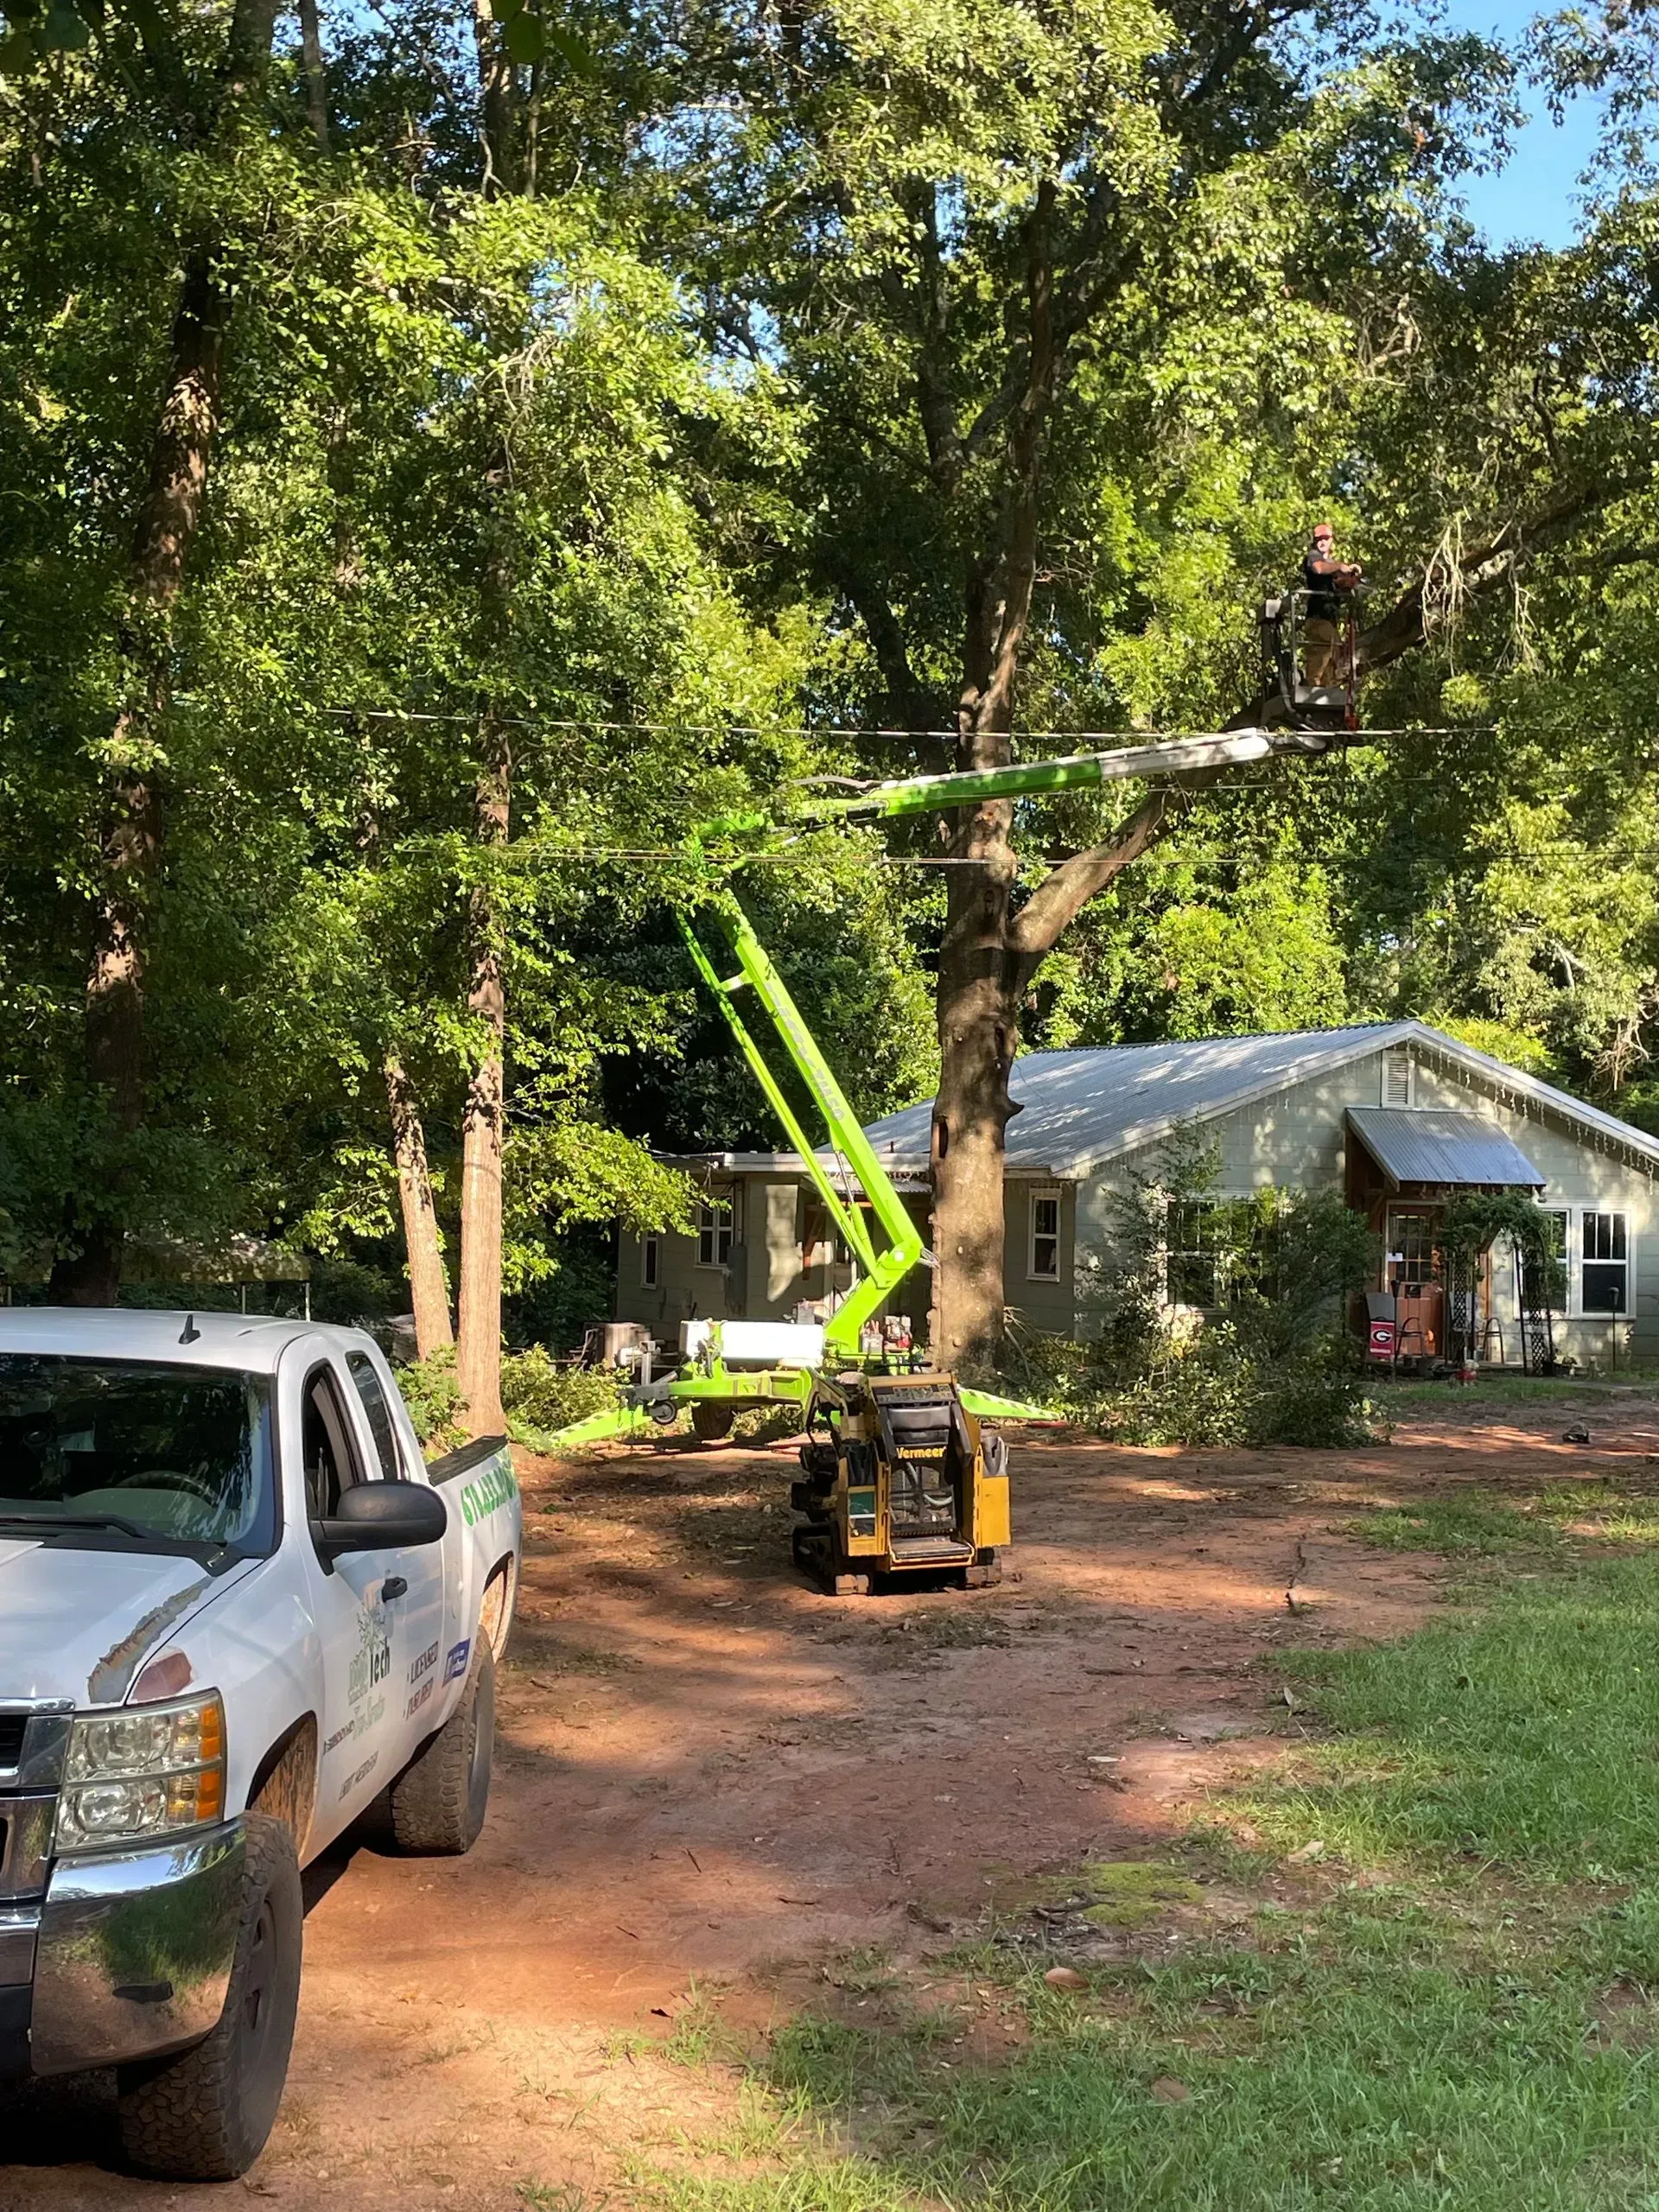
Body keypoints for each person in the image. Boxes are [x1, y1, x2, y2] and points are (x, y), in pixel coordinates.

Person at [1300, 521, 1363, 686]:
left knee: (1335, 653)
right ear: (1314, 541)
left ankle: (1326, 686)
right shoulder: (1313, 557)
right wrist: (1341, 566)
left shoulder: (1331, 564)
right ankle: (1313, 685)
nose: (1322, 542)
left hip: (1330, 618)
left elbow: (1339, 582)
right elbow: (1319, 569)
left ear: (1331, 540)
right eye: (1319, 539)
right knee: (1322, 649)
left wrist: (1351, 579)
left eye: (1326, 538)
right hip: (1317, 616)